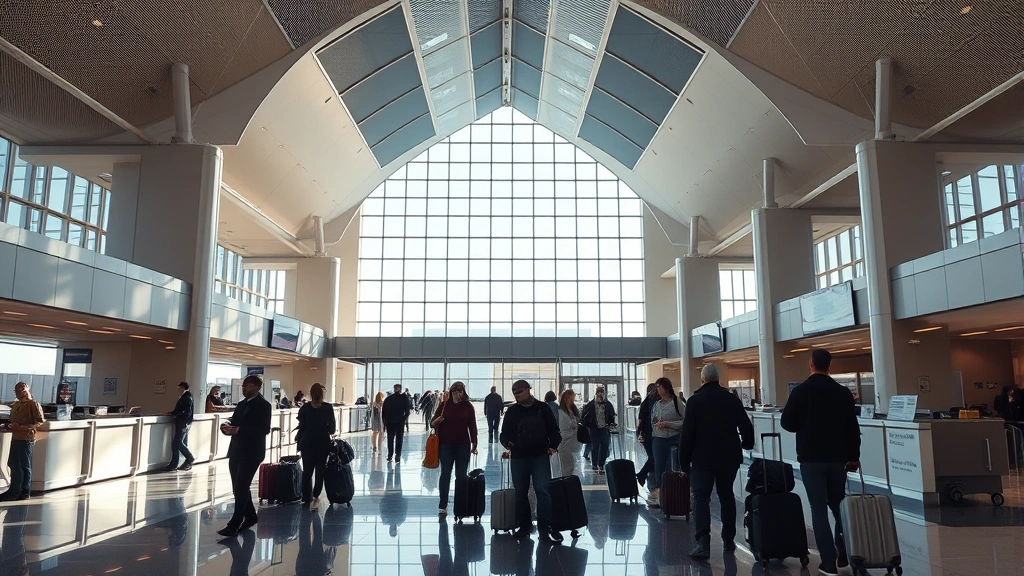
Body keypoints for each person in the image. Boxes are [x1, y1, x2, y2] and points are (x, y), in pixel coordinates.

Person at [781, 349, 861, 576]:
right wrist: (854, 456)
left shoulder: (801, 391)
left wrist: (804, 424)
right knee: (839, 506)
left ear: (811, 364)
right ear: (829, 366)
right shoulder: (843, 392)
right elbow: (852, 429)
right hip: (838, 459)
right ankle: (850, 551)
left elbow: (787, 422)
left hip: (811, 458)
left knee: (818, 509)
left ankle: (828, 562)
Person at [678, 364, 754, 558]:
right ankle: (728, 539)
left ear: (703, 380)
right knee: (726, 495)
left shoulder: (695, 401)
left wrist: (684, 462)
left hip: (703, 458)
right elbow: (746, 425)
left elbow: (687, 434)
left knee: (701, 497)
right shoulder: (731, 399)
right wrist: (747, 443)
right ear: (718, 379)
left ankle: (703, 542)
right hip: (729, 457)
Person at [500, 379, 562, 543]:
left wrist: (553, 446)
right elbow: (504, 433)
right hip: (519, 457)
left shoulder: (543, 408)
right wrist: (507, 443)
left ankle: (546, 526)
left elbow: (554, 431)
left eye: (519, 391)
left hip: (540, 456)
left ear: (528, 390)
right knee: (520, 493)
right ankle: (525, 525)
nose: (517, 395)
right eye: (514, 393)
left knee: (543, 491)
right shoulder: (512, 411)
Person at [217, 374, 272, 538]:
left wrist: (240, 430)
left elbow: (264, 429)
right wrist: (227, 426)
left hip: (252, 452)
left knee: (241, 485)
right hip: (236, 450)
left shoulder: (264, 406)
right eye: (243, 385)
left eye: (247, 386)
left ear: (257, 387)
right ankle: (251, 516)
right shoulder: (241, 405)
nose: (244, 388)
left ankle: (234, 524)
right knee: (238, 486)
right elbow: (234, 421)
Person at [431, 381, 479, 516]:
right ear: (451, 392)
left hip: (463, 445)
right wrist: (437, 420)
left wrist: (474, 442)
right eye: (456, 391)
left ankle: (460, 504)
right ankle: (443, 504)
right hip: (446, 445)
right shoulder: (444, 405)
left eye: (461, 392)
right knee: (445, 474)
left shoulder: (468, 406)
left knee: (461, 476)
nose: (458, 394)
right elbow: (432, 423)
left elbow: (472, 426)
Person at [1, 382, 44, 501]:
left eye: (22, 390)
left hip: (26, 438)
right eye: (17, 391)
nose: (20, 393)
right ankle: (14, 489)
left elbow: (39, 422)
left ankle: (25, 490)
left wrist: (22, 427)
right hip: (15, 437)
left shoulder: (33, 404)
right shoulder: (16, 405)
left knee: (25, 465)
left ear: (28, 390)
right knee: (13, 463)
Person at [646, 377, 685, 507]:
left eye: (659, 386)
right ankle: (660, 494)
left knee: (670, 467)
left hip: (673, 438)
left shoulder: (677, 402)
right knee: (659, 466)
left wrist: (668, 424)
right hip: (658, 438)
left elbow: (684, 421)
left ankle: (672, 494)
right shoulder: (657, 404)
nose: (657, 389)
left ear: (666, 387)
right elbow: (653, 420)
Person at [298, 383, 336, 507]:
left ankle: (305, 497)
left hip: (307, 442)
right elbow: (332, 429)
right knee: (320, 470)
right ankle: (315, 495)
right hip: (323, 442)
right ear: (322, 394)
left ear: (310, 393)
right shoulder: (328, 408)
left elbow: (301, 425)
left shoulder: (304, 408)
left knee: (307, 471)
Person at [581, 387, 616, 474]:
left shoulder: (607, 404)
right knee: (595, 445)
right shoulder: (591, 404)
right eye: (598, 393)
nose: (600, 395)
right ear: (596, 394)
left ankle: (601, 463)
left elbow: (611, 415)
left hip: (604, 427)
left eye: (601, 393)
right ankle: (594, 464)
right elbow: (585, 414)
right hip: (594, 427)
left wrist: (611, 423)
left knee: (604, 446)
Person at [165, 381, 195, 472]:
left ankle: (189, 458)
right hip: (183, 422)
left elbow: (185, 411)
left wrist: (176, 414)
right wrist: (173, 413)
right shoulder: (187, 396)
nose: (178, 389)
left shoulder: (186, 397)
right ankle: (175, 463)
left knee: (177, 443)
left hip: (182, 422)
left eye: (179, 387)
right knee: (179, 443)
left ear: (182, 387)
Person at [635, 383, 658, 487]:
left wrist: (639, 433)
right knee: (654, 457)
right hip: (651, 434)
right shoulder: (655, 403)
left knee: (652, 457)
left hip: (646, 434)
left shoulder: (644, 403)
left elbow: (640, 420)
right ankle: (643, 474)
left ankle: (647, 477)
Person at [556, 389, 582, 479]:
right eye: (571, 399)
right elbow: (564, 426)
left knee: (571, 463)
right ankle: (565, 480)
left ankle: (568, 480)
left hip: (573, 441)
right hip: (564, 440)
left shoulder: (572, 410)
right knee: (565, 463)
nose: (572, 401)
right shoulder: (561, 412)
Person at [382, 383, 410, 463]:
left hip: (390, 422)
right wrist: (403, 419)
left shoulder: (388, 399)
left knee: (390, 439)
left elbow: (383, 412)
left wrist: (385, 421)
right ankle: (398, 456)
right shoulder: (404, 398)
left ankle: (390, 455)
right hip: (399, 423)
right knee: (399, 439)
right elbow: (407, 412)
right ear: (400, 389)